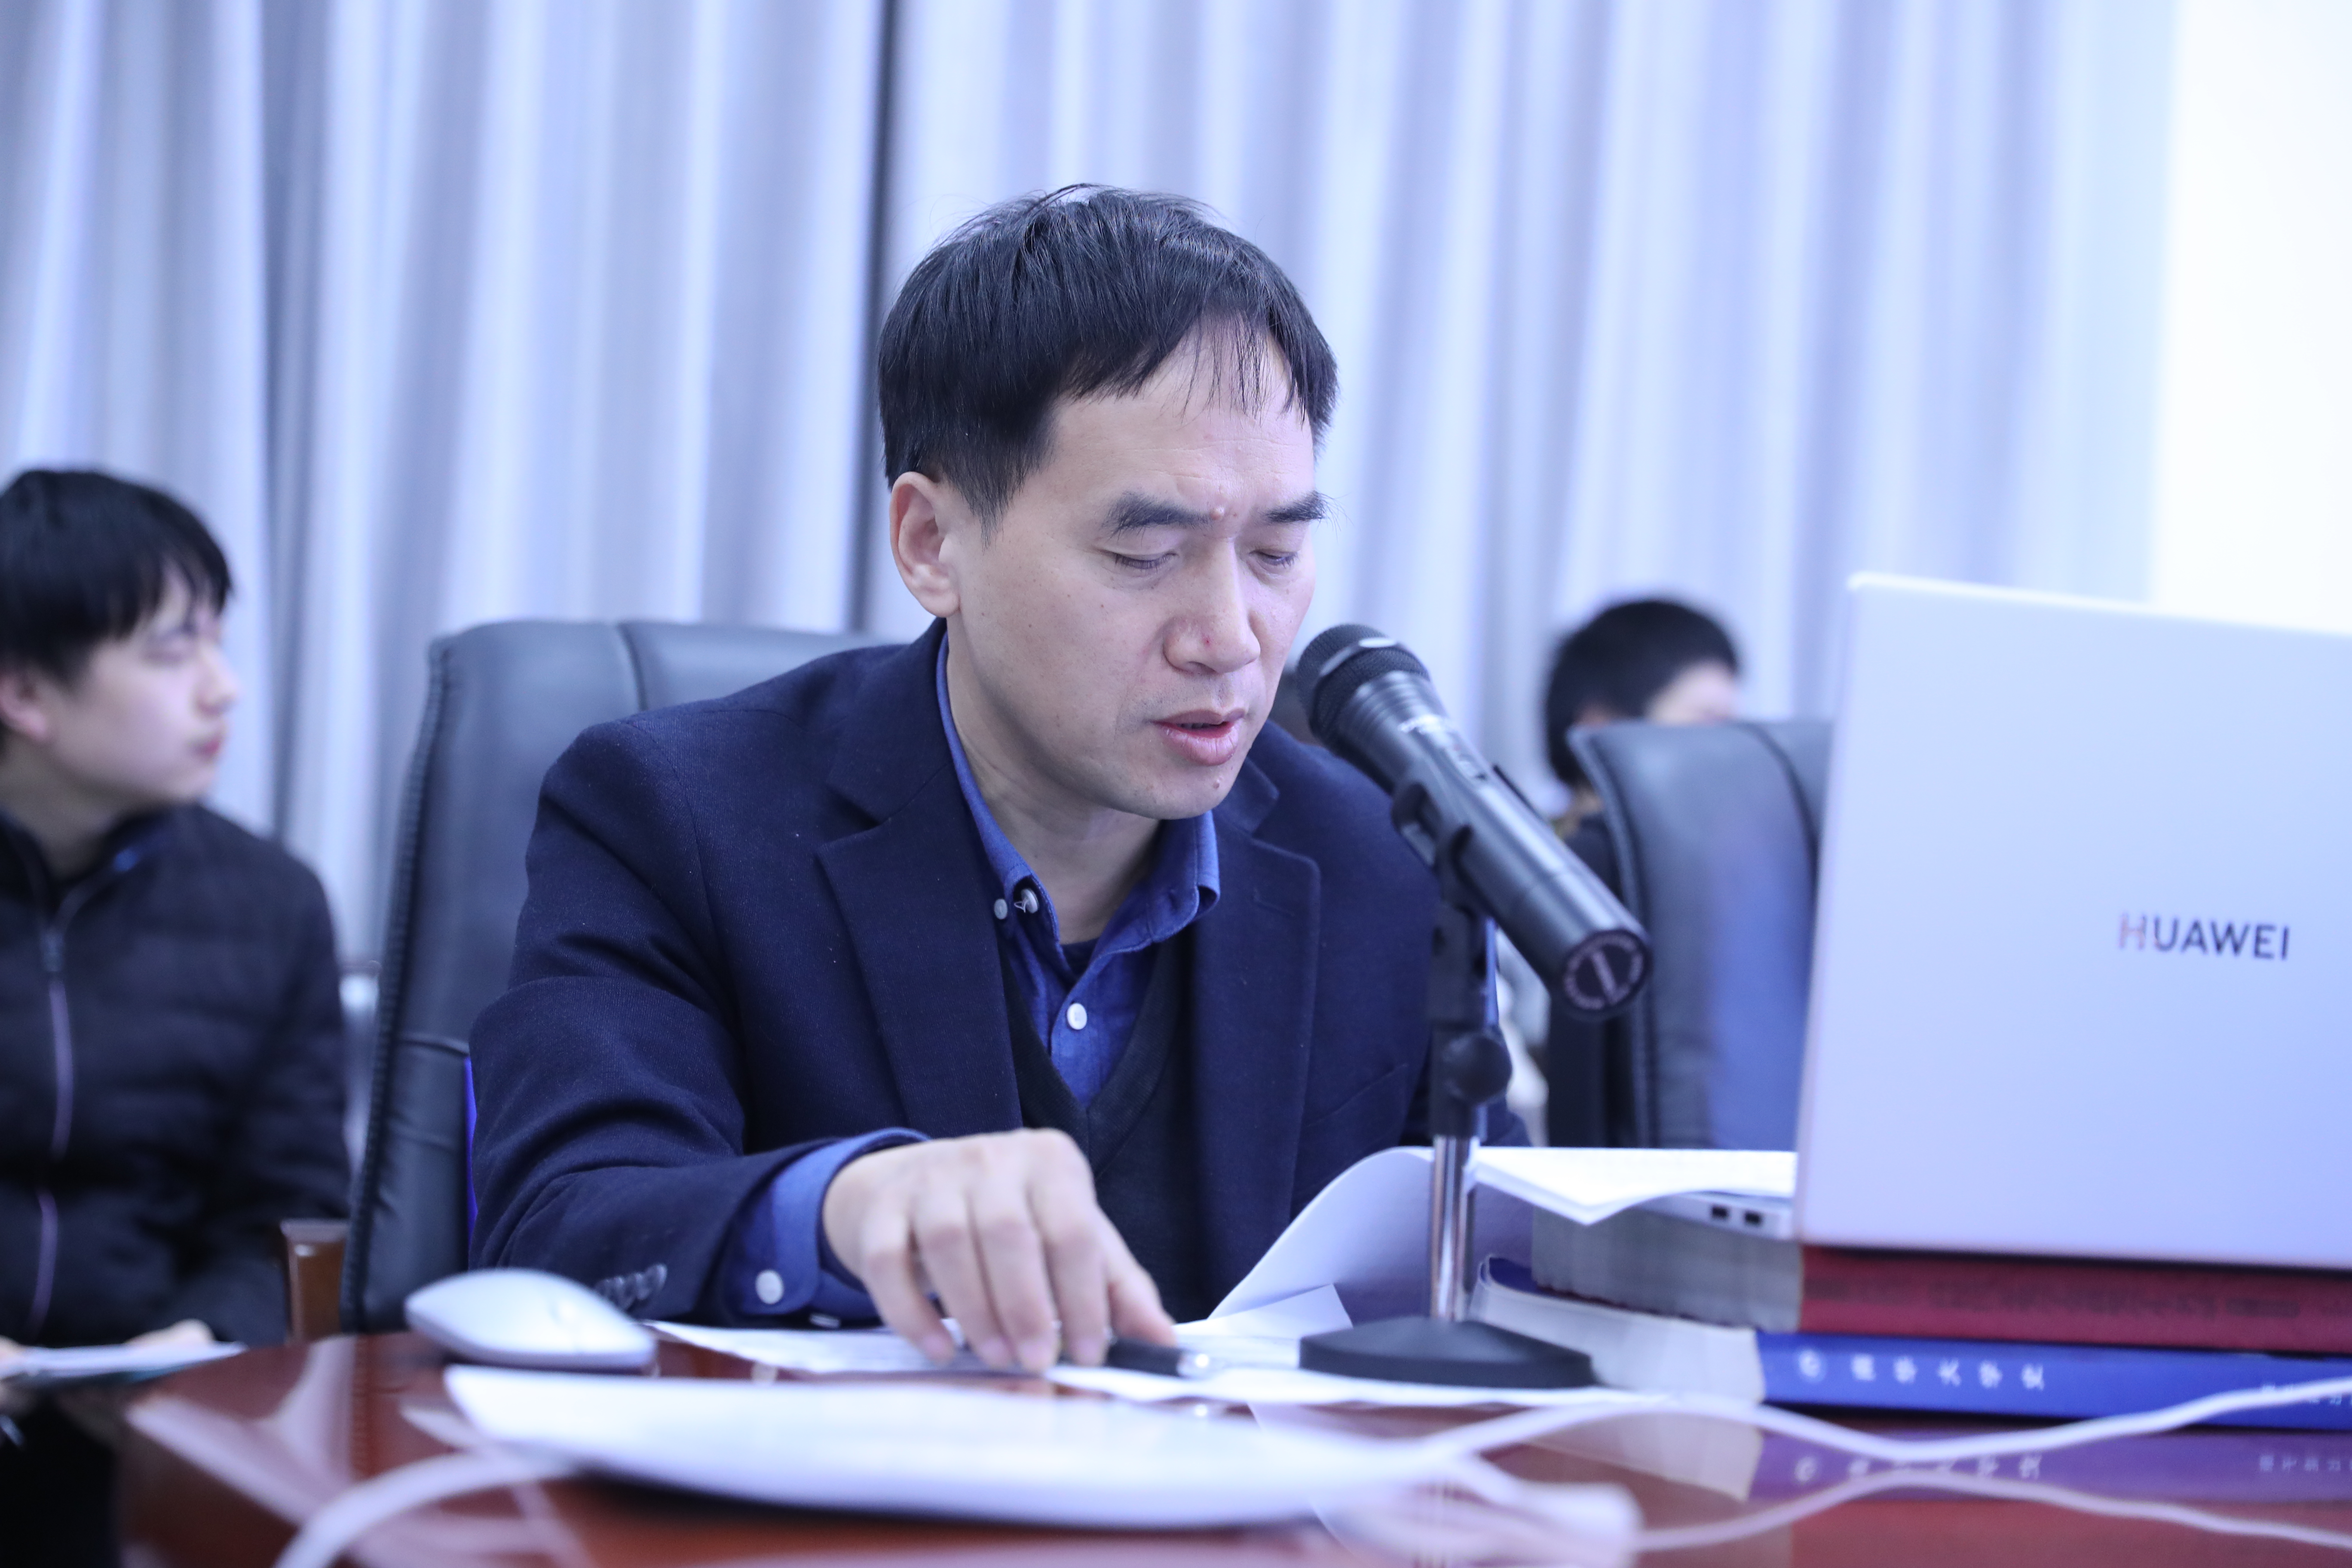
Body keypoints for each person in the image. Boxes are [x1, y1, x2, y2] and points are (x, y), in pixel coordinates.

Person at [469, 187, 1517, 1374]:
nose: (1230, 636)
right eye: (1145, 554)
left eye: (1276, 551)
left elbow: (1497, 1274)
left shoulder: (1382, 863)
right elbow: (556, 1230)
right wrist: (844, 1206)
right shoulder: (677, 818)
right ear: (931, 545)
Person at [0, 469, 348, 1566]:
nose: (223, 690)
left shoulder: (269, 905)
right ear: (25, 692)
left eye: (218, 644)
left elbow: (289, 1208)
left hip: (143, 1452)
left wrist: (202, 1343)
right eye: (171, 651)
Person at [1541, 597, 1741, 829]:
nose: (1730, 749)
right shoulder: (1525, 846)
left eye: (1730, 727)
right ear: (1603, 727)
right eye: (1707, 720)